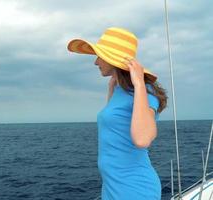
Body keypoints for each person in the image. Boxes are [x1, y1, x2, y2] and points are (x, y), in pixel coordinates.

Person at [67, 27, 168, 199]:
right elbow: (114, 125)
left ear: (111, 59)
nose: (96, 62)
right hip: (112, 186)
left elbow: (142, 139)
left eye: (99, 56)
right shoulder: (120, 90)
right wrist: (111, 91)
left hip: (134, 189)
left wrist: (139, 84)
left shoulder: (145, 91)